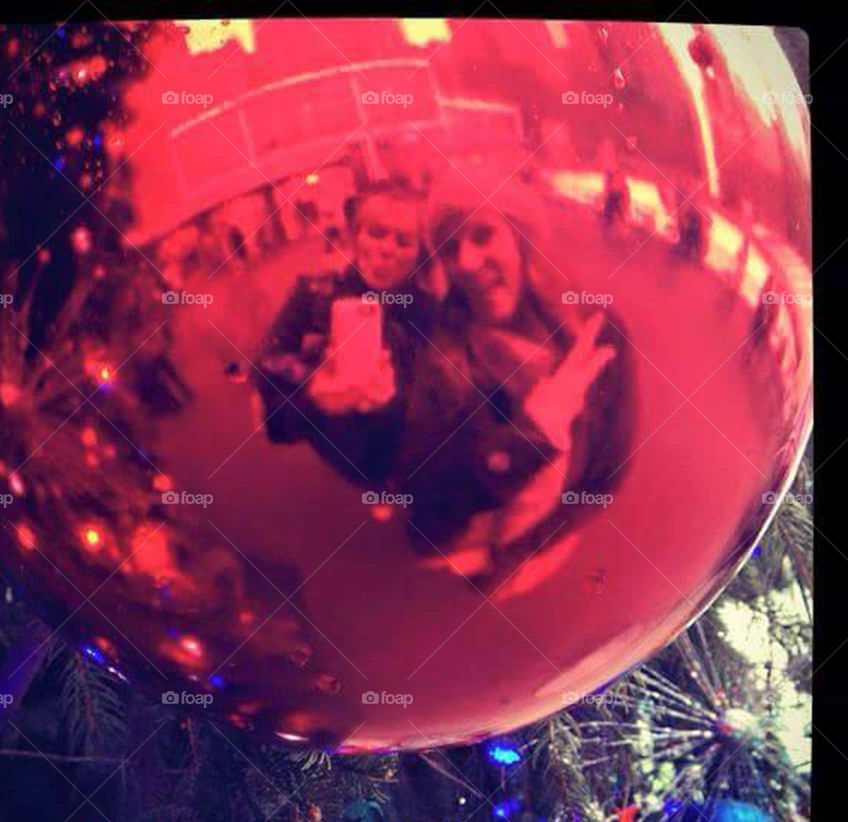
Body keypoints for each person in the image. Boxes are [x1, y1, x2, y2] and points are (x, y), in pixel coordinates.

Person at [395, 161, 634, 591]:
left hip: (537, 551)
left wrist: (535, 550)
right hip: (476, 561)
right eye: (449, 248)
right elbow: (426, 509)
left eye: (483, 235)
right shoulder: (440, 359)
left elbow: (608, 470)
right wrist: (531, 436)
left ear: (520, 238)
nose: (466, 263)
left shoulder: (595, 331)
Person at [256, 179, 440, 485]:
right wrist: (313, 390)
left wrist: (395, 402)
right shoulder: (315, 294)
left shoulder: (427, 312)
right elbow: (268, 374)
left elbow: (441, 403)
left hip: (408, 463)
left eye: (403, 241)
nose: (386, 248)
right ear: (356, 236)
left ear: (419, 254)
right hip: (343, 459)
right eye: (377, 233)